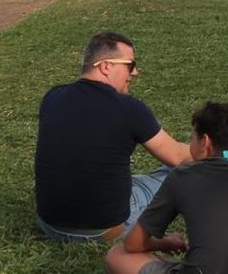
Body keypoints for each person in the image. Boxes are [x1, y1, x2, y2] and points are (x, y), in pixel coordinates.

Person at [35, 31, 191, 242]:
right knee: (178, 173)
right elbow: (178, 157)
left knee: (136, 179)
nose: (135, 72)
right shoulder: (129, 108)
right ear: (106, 66)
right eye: (130, 65)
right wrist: (222, 153)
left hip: (50, 225)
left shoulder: (52, 98)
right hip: (105, 229)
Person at [106, 101, 228, 274]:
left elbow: (133, 243)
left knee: (117, 254)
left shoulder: (182, 176)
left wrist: (165, 243)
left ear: (205, 141)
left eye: (192, 137)